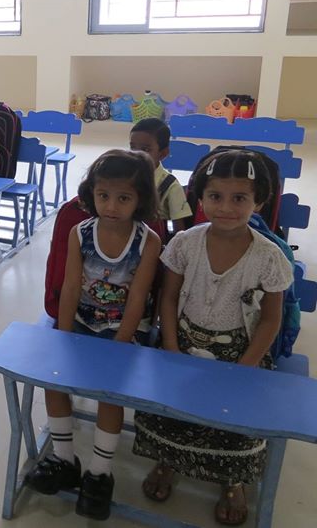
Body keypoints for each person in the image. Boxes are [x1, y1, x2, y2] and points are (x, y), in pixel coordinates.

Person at [133, 149, 293, 526]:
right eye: (215, 196)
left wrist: (245, 366)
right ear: (200, 198)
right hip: (182, 341)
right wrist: (171, 347)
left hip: (242, 352)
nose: (225, 208)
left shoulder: (269, 256)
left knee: (233, 419)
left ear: (259, 202)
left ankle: (232, 479)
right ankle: (168, 459)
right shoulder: (185, 242)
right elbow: (168, 298)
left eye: (239, 198)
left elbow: (271, 320)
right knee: (169, 408)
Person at [25, 149, 161, 521]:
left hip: (123, 329)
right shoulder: (80, 232)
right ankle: (64, 459)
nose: (112, 206)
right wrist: (63, 334)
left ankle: (100, 474)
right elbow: (70, 287)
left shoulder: (147, 241)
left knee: (108, 394)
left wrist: (119, 346)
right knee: (54, 380)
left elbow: (138, 298)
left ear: (140, 199)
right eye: (104, 195)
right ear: (92, 194)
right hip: (81, 322)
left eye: (123, 198)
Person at [129, 118, 192, 237]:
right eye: (132, 147)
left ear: (163, 154)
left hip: (153, 242)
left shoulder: (170, 185)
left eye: (145, 149)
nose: (136, 154)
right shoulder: (122, 176)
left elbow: (179, 230)